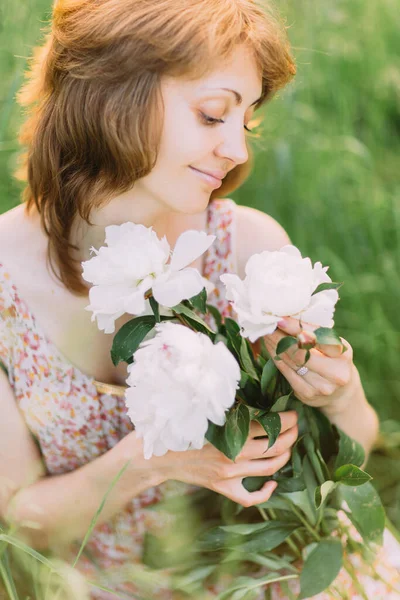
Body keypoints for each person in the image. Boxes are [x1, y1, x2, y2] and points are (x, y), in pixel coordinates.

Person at [0, 0, 399, 598]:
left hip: (283, 573)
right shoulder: (6, 284)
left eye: (245, 121)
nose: (237, 151)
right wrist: (155, 459)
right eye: (213, 115)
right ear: (111, 94)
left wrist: (341, 399)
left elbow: (353, 452)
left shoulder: (245, 248)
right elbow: (22, 520)